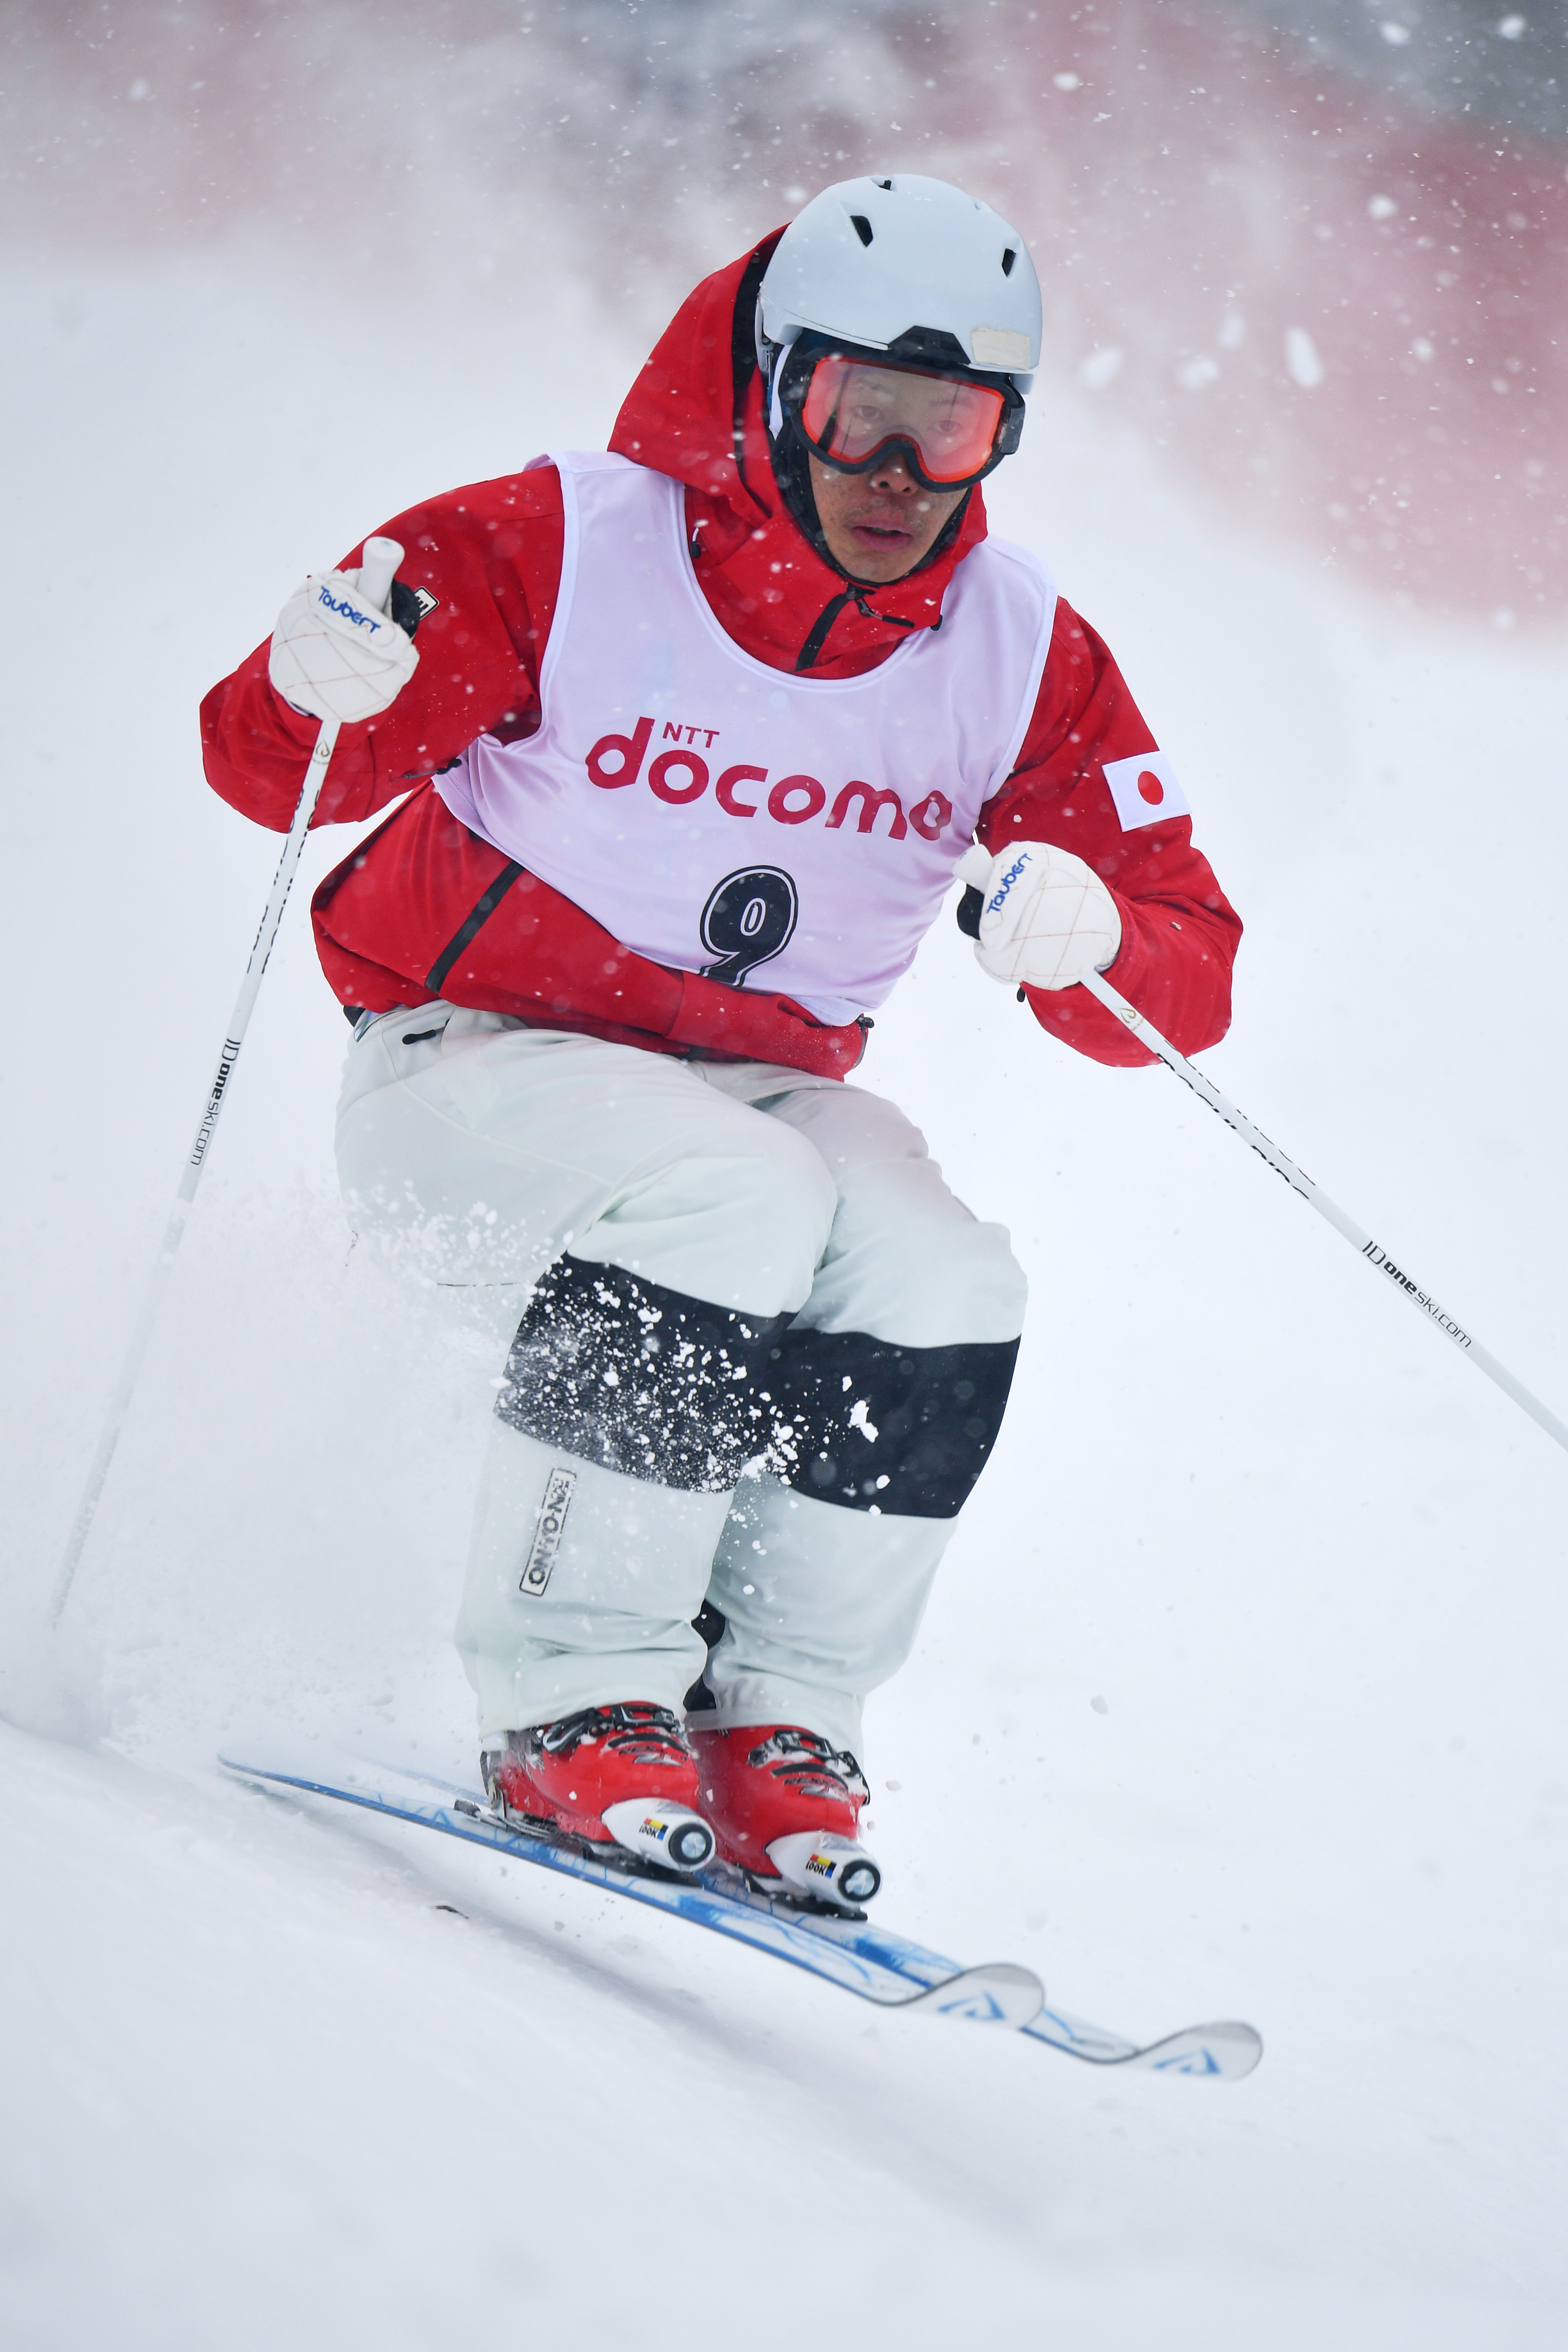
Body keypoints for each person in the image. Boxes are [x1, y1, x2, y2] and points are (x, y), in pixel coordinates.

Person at [203, 173, 1240, 1911]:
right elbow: (261, 771)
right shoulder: (562, 543)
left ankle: (779, 1721)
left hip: (741, 1098)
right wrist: (316, 679)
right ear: (776, 383)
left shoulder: (1014, 652)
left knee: (941, 1270)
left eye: (953, 430)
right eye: (859, 418)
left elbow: (1179, 981)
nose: (898, 477)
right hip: (461, 1068)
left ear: (1006, 433)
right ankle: (566, 1689)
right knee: (730, 1195)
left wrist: (1097, 933)